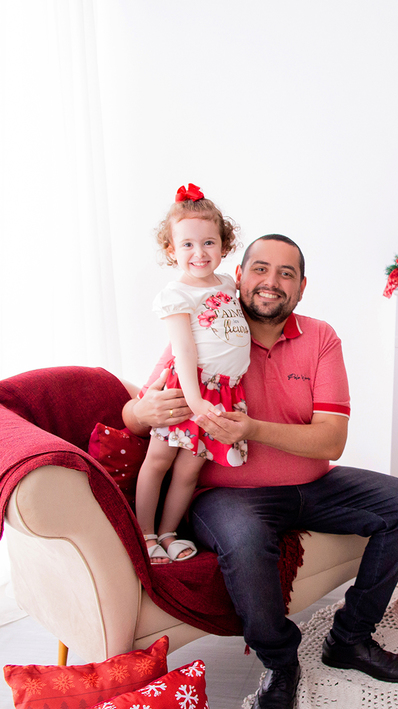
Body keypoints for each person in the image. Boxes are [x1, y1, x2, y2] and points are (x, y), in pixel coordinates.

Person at [123, 234, 398, 709]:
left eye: (286, 273)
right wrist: (140, 408)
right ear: (238, 277)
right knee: (244, 540)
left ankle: (350, 637)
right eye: (260, 269)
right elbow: (138, 411)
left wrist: (255, 430)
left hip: (314, 485)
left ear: (302, 288)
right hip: (230, 493)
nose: (271, 282)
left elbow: (331, 442)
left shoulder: (321, 338)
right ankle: (280, 664)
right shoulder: (208, 323)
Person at [134, 184, 251, 565]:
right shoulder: (176, 294)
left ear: (224, 245)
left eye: (208, 243)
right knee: (159, 461)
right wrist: (196, 400)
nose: (199, 253)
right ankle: (144, 533)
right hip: (190, 388)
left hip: (223, 392)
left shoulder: (229, 285)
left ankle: (169, 532)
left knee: (189, 469)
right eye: (187, 245)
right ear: (171, 250)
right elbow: (183, 350)